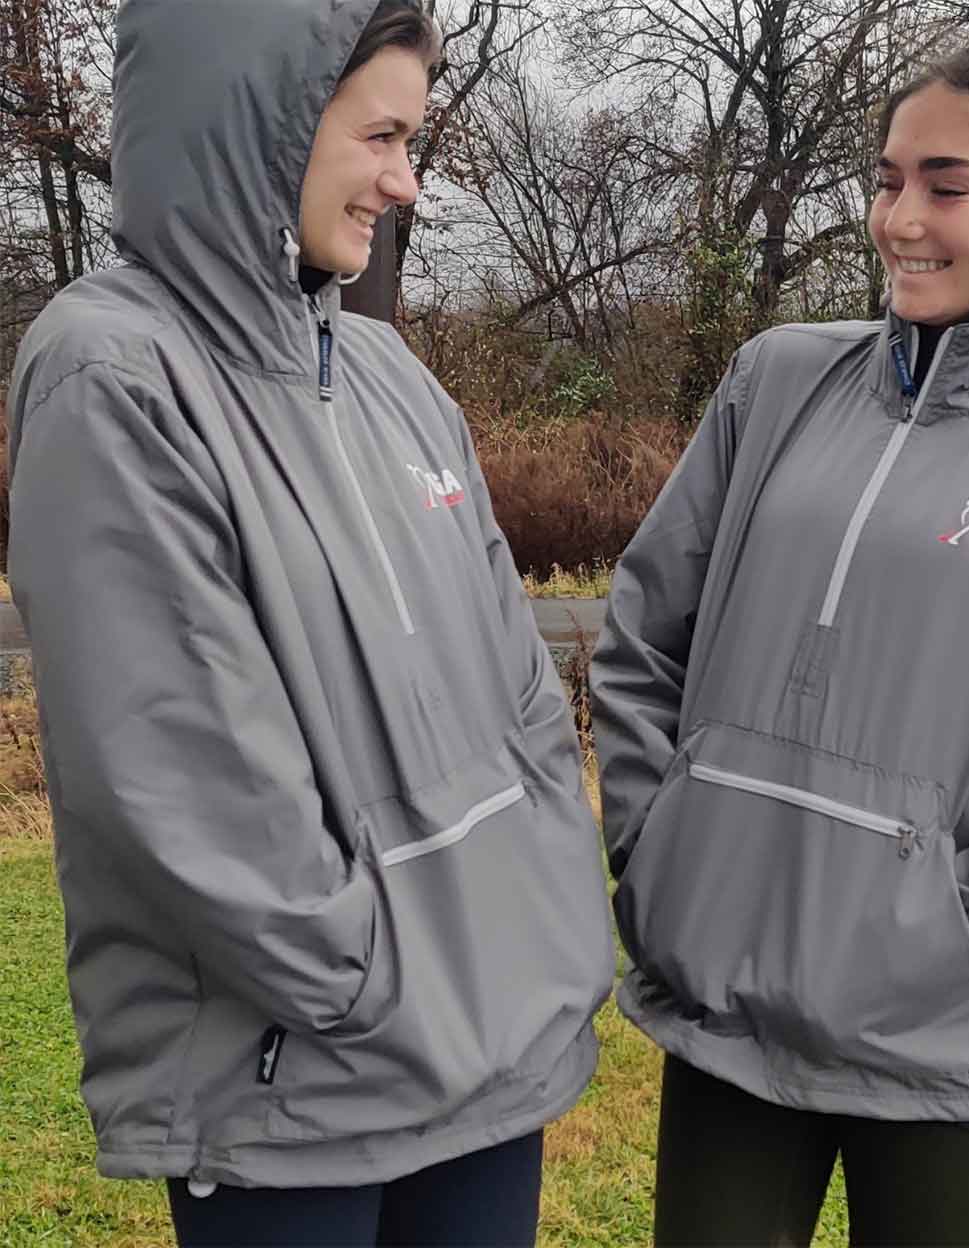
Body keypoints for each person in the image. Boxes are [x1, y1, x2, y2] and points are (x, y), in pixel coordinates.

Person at [6, 2, 613, 1245]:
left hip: (491, 1054)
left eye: (414, 140)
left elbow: (517, 695)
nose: (406, 182)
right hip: (301, 1082)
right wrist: (369, 975)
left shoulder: (392, 375)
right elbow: (177, 764)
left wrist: (535, 915)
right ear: (259, 127)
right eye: (380, 137)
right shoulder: (115, 370)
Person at [591, 35, 969, 1248]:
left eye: (948, 184)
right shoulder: (777, 378)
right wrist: (665, 850)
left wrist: (944, 934)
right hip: (727, 1004)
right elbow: (641, 637)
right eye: (886, 178)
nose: (899, 218)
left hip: (944, 1040)